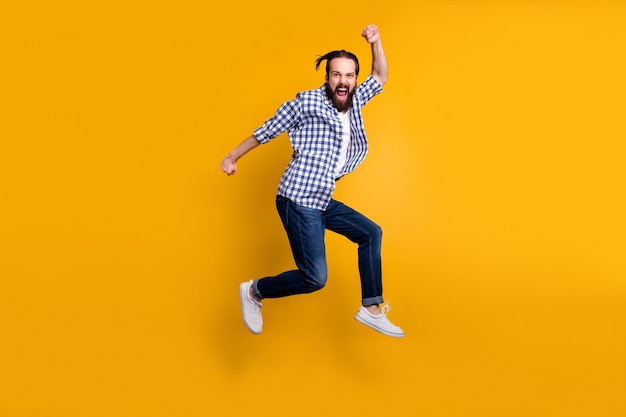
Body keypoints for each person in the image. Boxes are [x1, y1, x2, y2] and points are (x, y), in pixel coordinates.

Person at [220, 24, 404, 338]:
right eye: (336, 74)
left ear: (354, 80)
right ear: (327, 77)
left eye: (349, 75)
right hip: (297, 197)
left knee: (371, 233)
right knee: (315, 278)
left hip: (320, 197)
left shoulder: (355, 101)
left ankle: (372, 308)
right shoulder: (307, 102)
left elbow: (381, 76)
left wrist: (376, 42)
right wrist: (232, 156)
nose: (342, 81)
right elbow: (267, 130)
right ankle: (254, 291)